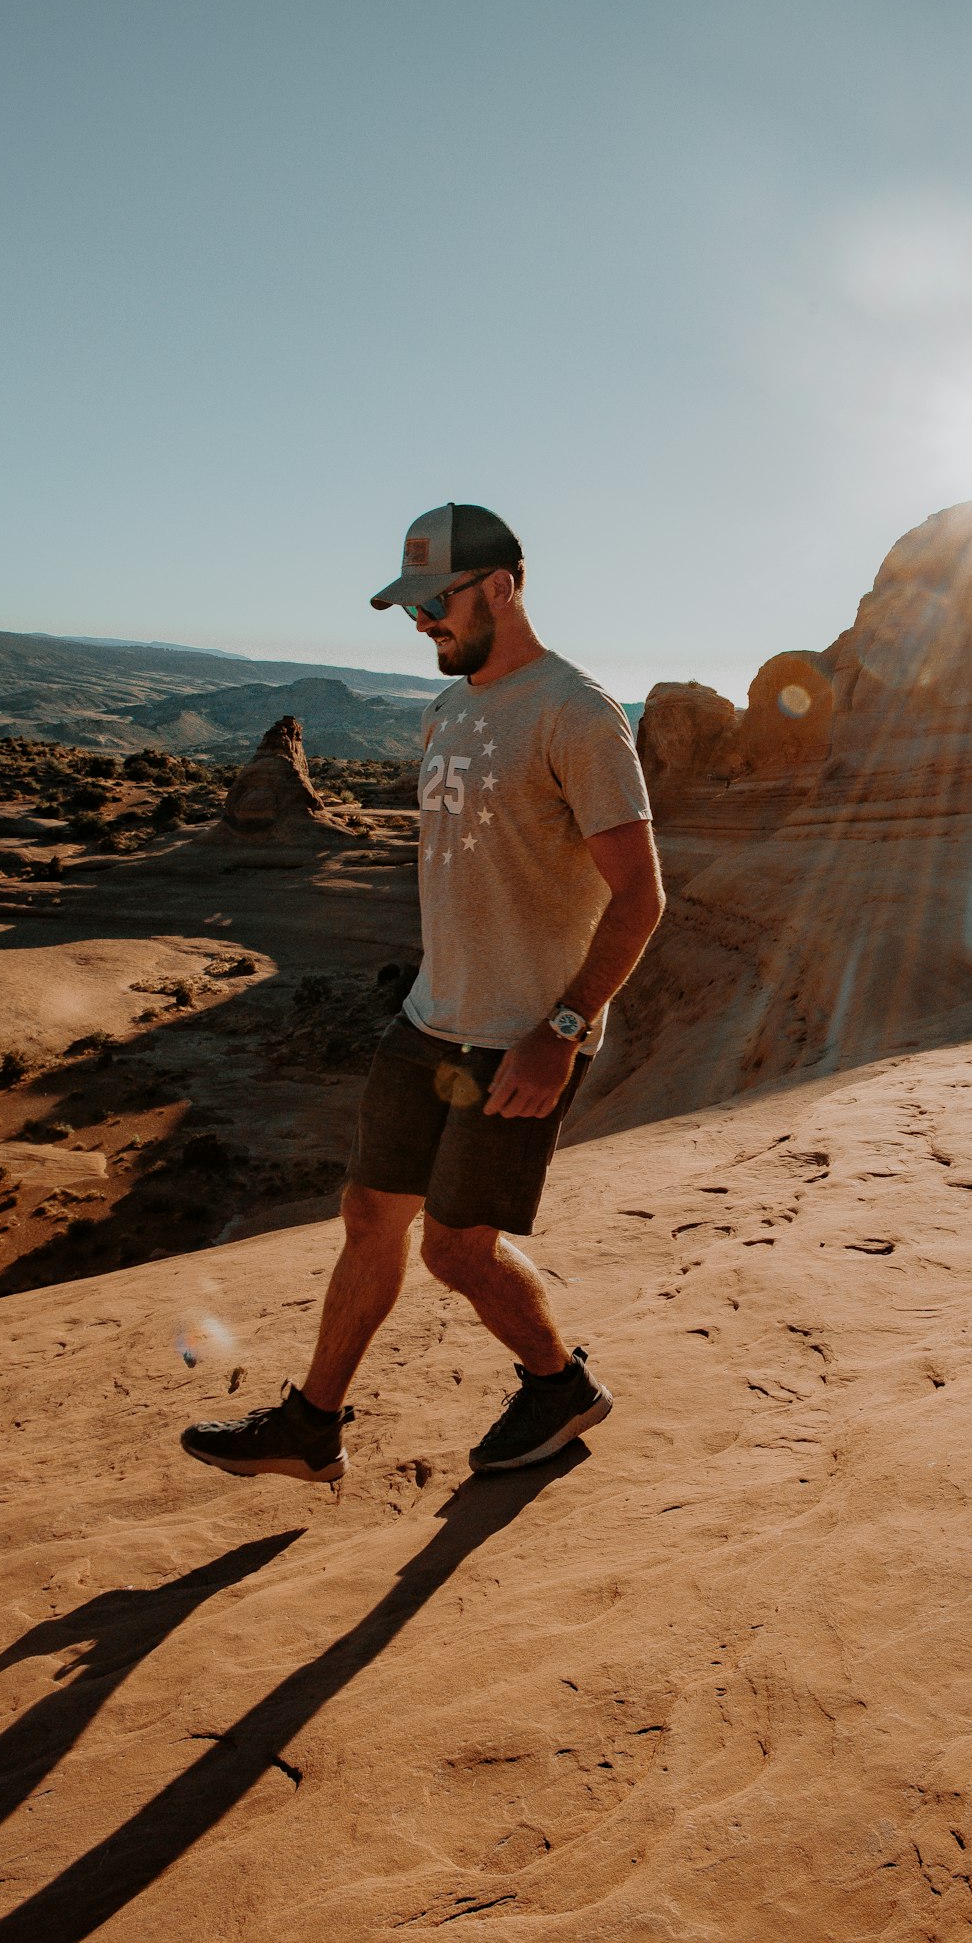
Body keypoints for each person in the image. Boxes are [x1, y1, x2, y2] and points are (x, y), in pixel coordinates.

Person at [181, 503, 665, 1486]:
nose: (420, 624)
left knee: (455, 1248)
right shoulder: (446, 711)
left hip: (521, 1034)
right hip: (430, 1019)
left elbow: (642, 896)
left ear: (502, 586)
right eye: (409, 607)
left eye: (434, 602)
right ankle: (313, 1425)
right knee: (370, 1212)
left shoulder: (576, 714)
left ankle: (557, 1383)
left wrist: (562, 1031)